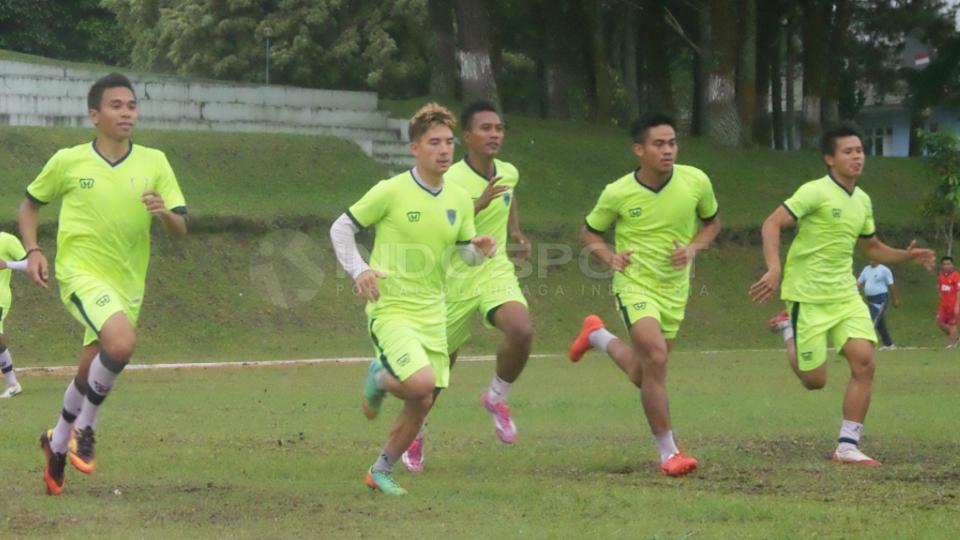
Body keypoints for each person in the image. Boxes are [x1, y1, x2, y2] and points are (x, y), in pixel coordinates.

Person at [21, 73, 188, 495]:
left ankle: (57, 442)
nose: (126, 112)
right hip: (81, 274)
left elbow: (181, 228)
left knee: (88, 370)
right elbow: (29, 205)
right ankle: (85, 430)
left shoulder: (155, 161)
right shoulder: (69, 160)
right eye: (116, 105)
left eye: (131, 105)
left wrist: (165, 212)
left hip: (128, 281)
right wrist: (34, 250)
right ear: (94, 115)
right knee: (121, 344)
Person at [329, 103, 496, 495]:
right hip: (392, 307)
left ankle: (380, 470)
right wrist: (360, 269)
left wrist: (478, 249)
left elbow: (463, 254)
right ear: (415, 149)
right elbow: (341, 229)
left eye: (449, 142)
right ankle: (381, 376)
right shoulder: (391, 190)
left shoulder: (458, 198)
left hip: (433, 312)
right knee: (420, 384)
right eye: (434, 142)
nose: (444, 150)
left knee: (424, 399)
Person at [751, 125, 934, 466]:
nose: (857, 156)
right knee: (814, 380)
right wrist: (774, 268)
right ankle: (789, 328)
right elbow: (771, 223)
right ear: (829, 158)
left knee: (864, 362)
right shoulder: (814, 191)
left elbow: (872, 248)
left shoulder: (862, 200)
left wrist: (907, 256)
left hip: (845, 294)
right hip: (806, 296)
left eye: (860, 150)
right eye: (848, 151)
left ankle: (847, 445)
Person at [567, 113, 721, 477]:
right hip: (635, 285)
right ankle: (669, 452)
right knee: (654, 356)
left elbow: (712, 223)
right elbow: (589, 233)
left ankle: (597, 335)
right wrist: (610, 257)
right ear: (639, 150)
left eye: (672, 143)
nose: (668, 150)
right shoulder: (618, 192)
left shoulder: (696, 181)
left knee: (646, 371)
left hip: (675, 289)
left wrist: (694, 249)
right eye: (659, 144)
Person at [400, 101, 533, 473]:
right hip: (453, 276)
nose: (495, 134)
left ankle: (496, 397)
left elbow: (509, 196)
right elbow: (436, 221)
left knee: (521, 329)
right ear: (468, 137)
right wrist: (477, 203)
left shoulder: (509, 172)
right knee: (435, 375)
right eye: (486, 128)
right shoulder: (450, 178)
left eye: (499, 128)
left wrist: (515, 231)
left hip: (493, 269)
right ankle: (416, 430)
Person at [0, 231, 28, 398]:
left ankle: (13, 384)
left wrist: (7, 264)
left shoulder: (7, 240)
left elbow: (30, 263)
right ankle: (12, 384)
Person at [857, 260, 899, 349]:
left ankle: (866, 345)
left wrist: (895, 299)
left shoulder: (884, 270)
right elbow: (859, 283)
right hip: (870, 300)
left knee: (873, 321)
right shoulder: (866, 269)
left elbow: (891, 285)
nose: (871, 261)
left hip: (881, 299)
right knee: (880, 323)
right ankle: (889, 344)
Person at [935, 255, 960, 347]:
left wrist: (957, 306)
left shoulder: (956, 276)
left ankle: (951, 344)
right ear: (942, 266)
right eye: (944, 264)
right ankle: (956, 337)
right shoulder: (941, 276)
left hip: (953, 304)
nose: (946, 266)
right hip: (943, 305)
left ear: (952, 265)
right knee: (939, 322)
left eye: (948, 264)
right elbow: (940, 288)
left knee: (952, 324)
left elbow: (958, 291)